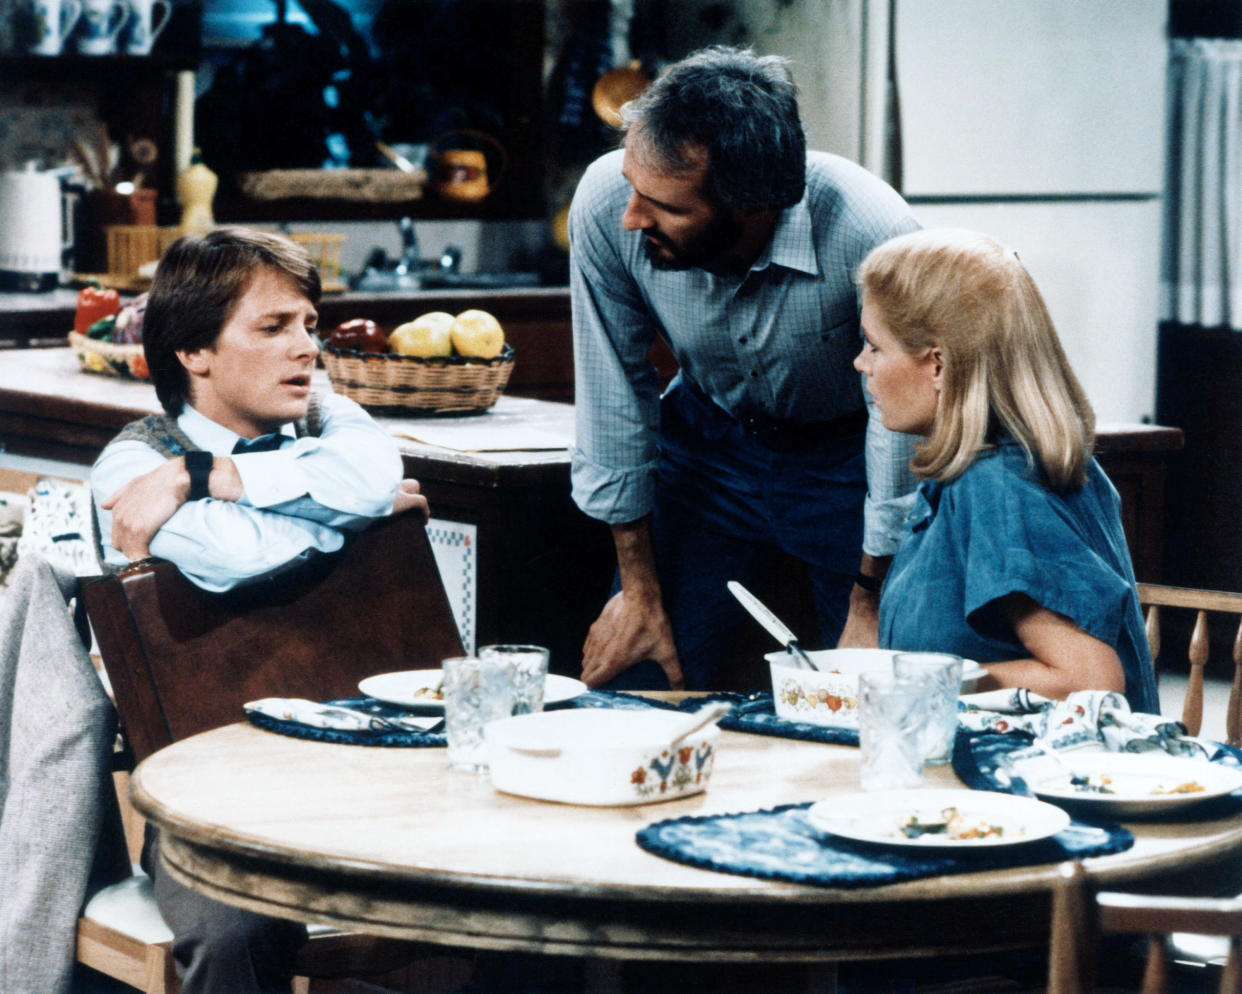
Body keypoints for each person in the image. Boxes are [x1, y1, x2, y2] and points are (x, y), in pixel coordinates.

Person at [91, 226, 427, 994]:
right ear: (194, 351)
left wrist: (203, 475)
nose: (305, 347)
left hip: (367, 769)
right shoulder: (132, 462)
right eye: (273, 327)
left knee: (523, 878)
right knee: (235, 928)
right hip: (207, 793)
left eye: (309, 324)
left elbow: (375, 475)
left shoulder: (321, 418)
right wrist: (349, 511)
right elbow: (242, 557)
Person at [569, 46, 921, 691]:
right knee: (637, 678)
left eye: (667, 208)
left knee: (877, 695)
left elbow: (899, 431)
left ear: (751, 206)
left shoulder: (874, 233)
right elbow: (612, 393)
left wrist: (870, 602)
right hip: (705, 445)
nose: (632, 217)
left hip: (849, 462)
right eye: (633, 189)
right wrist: (639, 591)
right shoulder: (607, 202)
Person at [855, 228, 1159, 712]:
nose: (860, 363)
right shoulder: (979, 468)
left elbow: (1089, 681)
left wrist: (923, 680)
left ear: (939, 365)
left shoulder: (997, 486)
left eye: (874, 346)